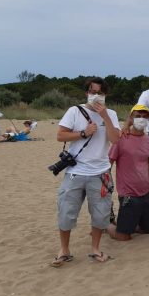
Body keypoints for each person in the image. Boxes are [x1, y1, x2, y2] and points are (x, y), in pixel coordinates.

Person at [51, 77, 121, 266]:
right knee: (66, 211)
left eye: (100, 92)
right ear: (86, 93)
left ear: (105, 95)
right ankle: (64, 250)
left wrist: (105, 116)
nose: (96, 96)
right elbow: (60, 135)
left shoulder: (111, 114)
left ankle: (95, 249)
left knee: (100, 213)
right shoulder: (74, 111)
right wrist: (83, 133)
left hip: (101, 172)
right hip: (76, 171)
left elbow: (116, 140)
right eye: (92, 92)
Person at [107, 104, 149, 241]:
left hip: (146, 193)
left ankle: (133, 222)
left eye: (145, 116)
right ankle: (106, 225)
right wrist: (105, 188)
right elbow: (108, 164)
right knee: (123, 236)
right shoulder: (121, 139)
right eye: (138, 116)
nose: (141, 119)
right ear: (131, 118)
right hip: (128, 194)